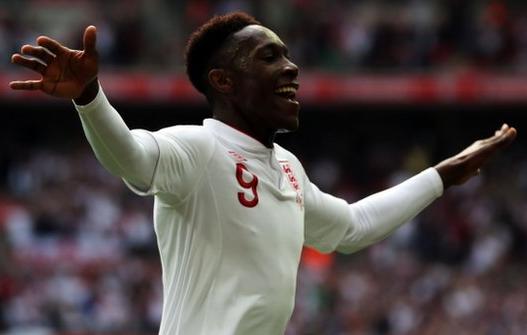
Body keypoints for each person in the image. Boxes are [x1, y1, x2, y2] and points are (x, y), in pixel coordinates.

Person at [9, 12, 516, 335]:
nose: (291, 68)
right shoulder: (199, 147)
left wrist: (442, 176)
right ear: (223, 81)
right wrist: (89, 99)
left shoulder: (288, 170)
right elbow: (132, 160)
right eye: (269, 57)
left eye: (288, 55)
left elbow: (350, 228)